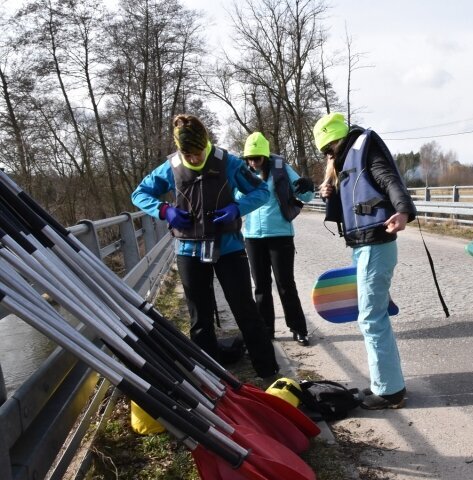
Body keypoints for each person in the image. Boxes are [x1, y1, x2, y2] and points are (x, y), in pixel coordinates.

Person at [131, 114, 280, 383]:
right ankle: (209, 375)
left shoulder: (229, 163)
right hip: (188, 249)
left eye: (198, 153)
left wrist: (237, 208)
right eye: (188, 154)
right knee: (199, 318)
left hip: (229, 247)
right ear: (180, 150)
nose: (195, 159)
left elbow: (261, 192)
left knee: (245, 310)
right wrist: (165, 210)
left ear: (206, 145)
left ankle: (269, 372)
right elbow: (139, 194)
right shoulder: (171, 167)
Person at [312, 112, 417, 410]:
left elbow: (388, 179)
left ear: (336, 141)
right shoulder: (345, 159)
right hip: (363, 244)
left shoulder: (364, 148)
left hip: (376, 243)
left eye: (328, 150)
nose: (328, 156)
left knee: (371, 317)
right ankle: (388, 384)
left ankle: (390, 391)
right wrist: (327, 192)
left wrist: (403, 210)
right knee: (374, 314)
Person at [241, 131, 315, 346]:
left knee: (285, 285)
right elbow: (236, 197)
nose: (253, 163)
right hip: (253, 236)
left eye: (257, 159)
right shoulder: (243, 172)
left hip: (280, 234)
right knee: (261, 287)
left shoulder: (281, 168)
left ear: (265, 156)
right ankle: (266, 331)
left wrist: (307, 187)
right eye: (249, 159)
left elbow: (305, 195)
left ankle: (299, 329)